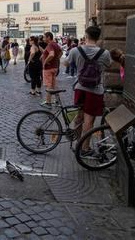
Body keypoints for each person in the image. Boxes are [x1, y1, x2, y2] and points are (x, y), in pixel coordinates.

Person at [63, 26, 111, 155]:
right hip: (95, 90)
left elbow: (66, 64)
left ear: (86, 36)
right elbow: (109, 65)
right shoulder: (104, 53)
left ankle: (78, 142)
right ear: (98, 37)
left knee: (79, 117)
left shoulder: (75, 50)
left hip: (80, 88)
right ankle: (84, 148)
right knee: (89, 120)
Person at [40, 32, 62, 106]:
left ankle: (48, 102)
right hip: (54, 67)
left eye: (44, 37)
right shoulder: (55, 44)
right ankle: (57, 100)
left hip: (48, 68)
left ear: (48, 37)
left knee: (49, 86)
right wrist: (56, 59)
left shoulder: (50, 45)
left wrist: (45, 62)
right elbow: (61, 52)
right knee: (54, 85)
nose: (43, 39)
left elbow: (51, 54)